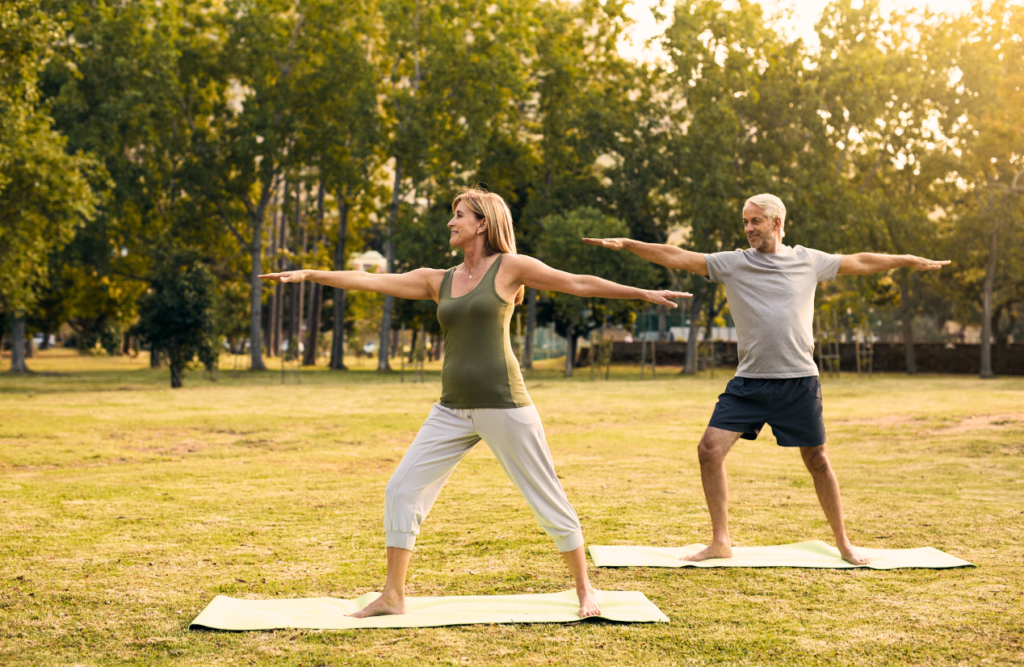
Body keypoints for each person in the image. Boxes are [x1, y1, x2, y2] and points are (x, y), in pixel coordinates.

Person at [260, 188, 690, 617]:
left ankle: (585, 591)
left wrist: (640, 293)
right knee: (401, 489)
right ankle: (393, 595)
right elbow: (374, 281)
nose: (451, 222)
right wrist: (312, 274)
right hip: (451, 408)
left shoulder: (509, 268)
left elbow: (576, 283)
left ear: (482, 223)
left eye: (459, 215)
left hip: (503, 403)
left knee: (546, 497)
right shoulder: (438, 279)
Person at [584, 193, 948, 565]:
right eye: (744, 222)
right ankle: (720, 541)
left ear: (776, 222)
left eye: (754, 221)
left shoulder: (809, 260)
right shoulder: (733, 264)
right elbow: (676, 255)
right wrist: (628, 244)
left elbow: (862, 261)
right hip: (750, 382)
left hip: (799, 380)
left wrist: (907, 260)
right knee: (709, 450)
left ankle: (844, 544)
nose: (748, 229)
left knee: (818, 460)